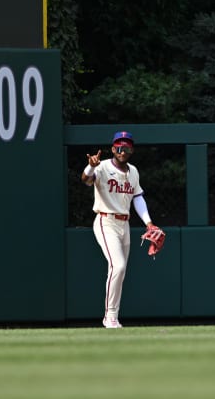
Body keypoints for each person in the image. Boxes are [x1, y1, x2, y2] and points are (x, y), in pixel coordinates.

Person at [81, 131, 157, 329]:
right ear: (113, 149)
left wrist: (148, 223)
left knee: (119, 271)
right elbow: (86, 180)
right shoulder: (103, 166)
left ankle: (113, 316)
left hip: (125, 224)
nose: (123, 150)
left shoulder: (133, 171)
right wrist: (91, 166)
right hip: (106, 221)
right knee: (119, 265)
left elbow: (137, 197)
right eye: (119, 147)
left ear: (131, 150)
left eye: (127, 147)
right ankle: (110, 317)